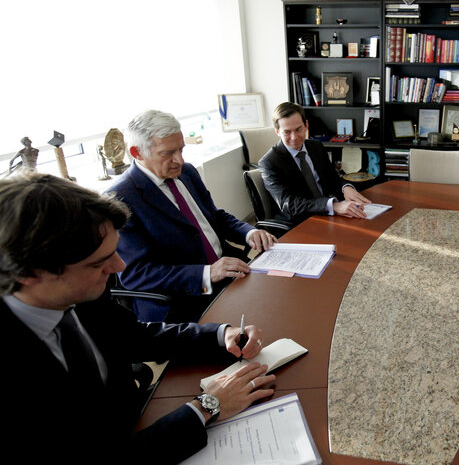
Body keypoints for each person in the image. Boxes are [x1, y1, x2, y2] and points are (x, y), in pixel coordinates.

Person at [0, 172, 276, 464]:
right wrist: (206, 407)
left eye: (115, 252)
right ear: (30, 274)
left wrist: (221, 334)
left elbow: (136, 336)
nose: (119, 266)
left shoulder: (80, 293)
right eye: (98, 263)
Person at [108, 110, 276, 322]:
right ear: (137, 152)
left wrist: (249, 232)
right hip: (184, 297)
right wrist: (206, 273)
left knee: (281, 301)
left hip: (229, 270)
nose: (179, 159)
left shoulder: (186, 172)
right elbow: (136, 274)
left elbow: (213, 216)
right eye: (168, 153)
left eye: (181, 149)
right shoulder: (121, 198)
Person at [259, 102, 371, 224]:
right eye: (287, 132)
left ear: (306, 125)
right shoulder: (269, 162)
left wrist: (346, 188)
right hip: (299, 222)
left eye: (298, 129)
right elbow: (289, 204)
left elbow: (332, 178)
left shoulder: (315, 146)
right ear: (277, 132)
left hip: (328, 214)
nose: (294, 137)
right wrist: (333, 206)